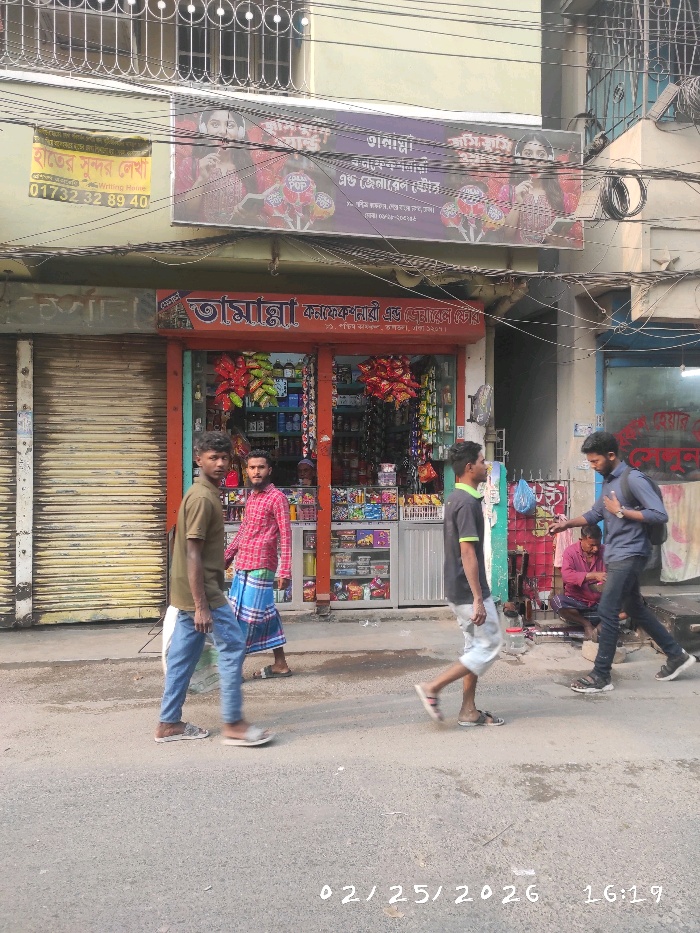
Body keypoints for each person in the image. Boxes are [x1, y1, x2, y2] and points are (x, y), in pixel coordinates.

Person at [550, 431, 696, 693]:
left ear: (611, 455)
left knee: (607, 609)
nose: (593, 466)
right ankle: (677, 655)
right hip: (617, 554)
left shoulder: (633, 479)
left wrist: (621, 511)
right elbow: (595, 514)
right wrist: (566, 525)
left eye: (595, 461)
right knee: (635, 609)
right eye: (590, 462)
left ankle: (601, 675)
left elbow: (659, 514)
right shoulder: (608, 482)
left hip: (630, 553)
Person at [155, 432, 273, 747]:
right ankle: (233, 724)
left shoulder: (205, 493)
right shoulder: (202, 498)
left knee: (182, 657)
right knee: (233, 646)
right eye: (213, 458)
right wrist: (202, 606)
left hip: (190, 592)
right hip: (203, 593)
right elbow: (192, 553)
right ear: (199, 460)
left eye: (224, 458)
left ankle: (168, 722)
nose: (220, 464)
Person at [414, 442, 505, 727]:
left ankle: (468, 711)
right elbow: (467, 553)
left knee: (474, 647)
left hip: (458, 587)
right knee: (490, 645)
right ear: (469, 467)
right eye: (481, 461)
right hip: (468, 591)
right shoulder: (467, 503)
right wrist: (478, 598)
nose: (486, 466)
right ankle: (433, 687)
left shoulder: (457, 497)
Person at [225, 450, 293, 680]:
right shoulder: (251, 497)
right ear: (247, 470)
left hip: (262, 565)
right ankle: (280, 664)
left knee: (249, 619)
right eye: (252, 467)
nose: (256, 472)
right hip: (243, 563)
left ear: (269, 470)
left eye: (261, 467)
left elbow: (286, 535)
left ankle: (233, 669)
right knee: (263, 614)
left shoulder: (277, 498)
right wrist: (227, 556)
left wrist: (285, 570)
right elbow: (244, 530)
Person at [500, 131, 574, 246]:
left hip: (548, 256)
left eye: (541, 155)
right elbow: (505, 236)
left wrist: (561, 241)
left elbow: (572, 243)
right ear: (519, 159)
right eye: (528, 154)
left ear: (549, 160)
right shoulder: (508, 191)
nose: (535, 160)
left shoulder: (562, 197)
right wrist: (517, 204)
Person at [550, 525, 606, 641]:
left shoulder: (606, 551)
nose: (596, 549)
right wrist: (593, 575)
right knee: (557, 601)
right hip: (578, 603)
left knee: (633, 602)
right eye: (591, 545)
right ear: (581, 540)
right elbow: (567, 576)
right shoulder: (570, 552)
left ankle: (602, 626)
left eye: (598, 544)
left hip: (601, 603)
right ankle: (586, 624)